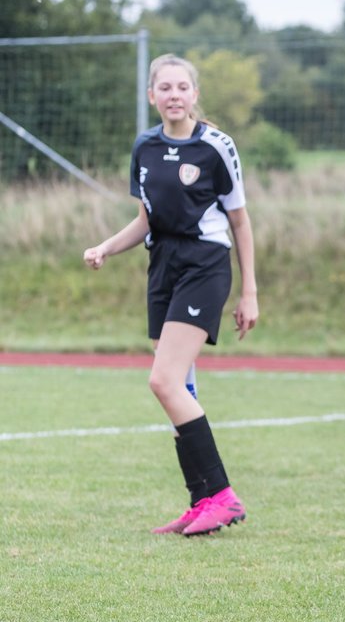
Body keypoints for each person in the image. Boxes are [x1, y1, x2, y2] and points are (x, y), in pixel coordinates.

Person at [83, 53, 258, 538]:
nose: (174, 95)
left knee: (163, 381)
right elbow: (144, 221)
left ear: (194, 94)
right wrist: (106, 247)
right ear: (152, 95)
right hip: (161, 266)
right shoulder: (144, 147)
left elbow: (241, 223)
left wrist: (250, 292)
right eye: (165, 88)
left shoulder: (217, 146)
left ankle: (222, 496)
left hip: (204, 264)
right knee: (181, 386)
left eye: (183, 87)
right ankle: (200, 500)